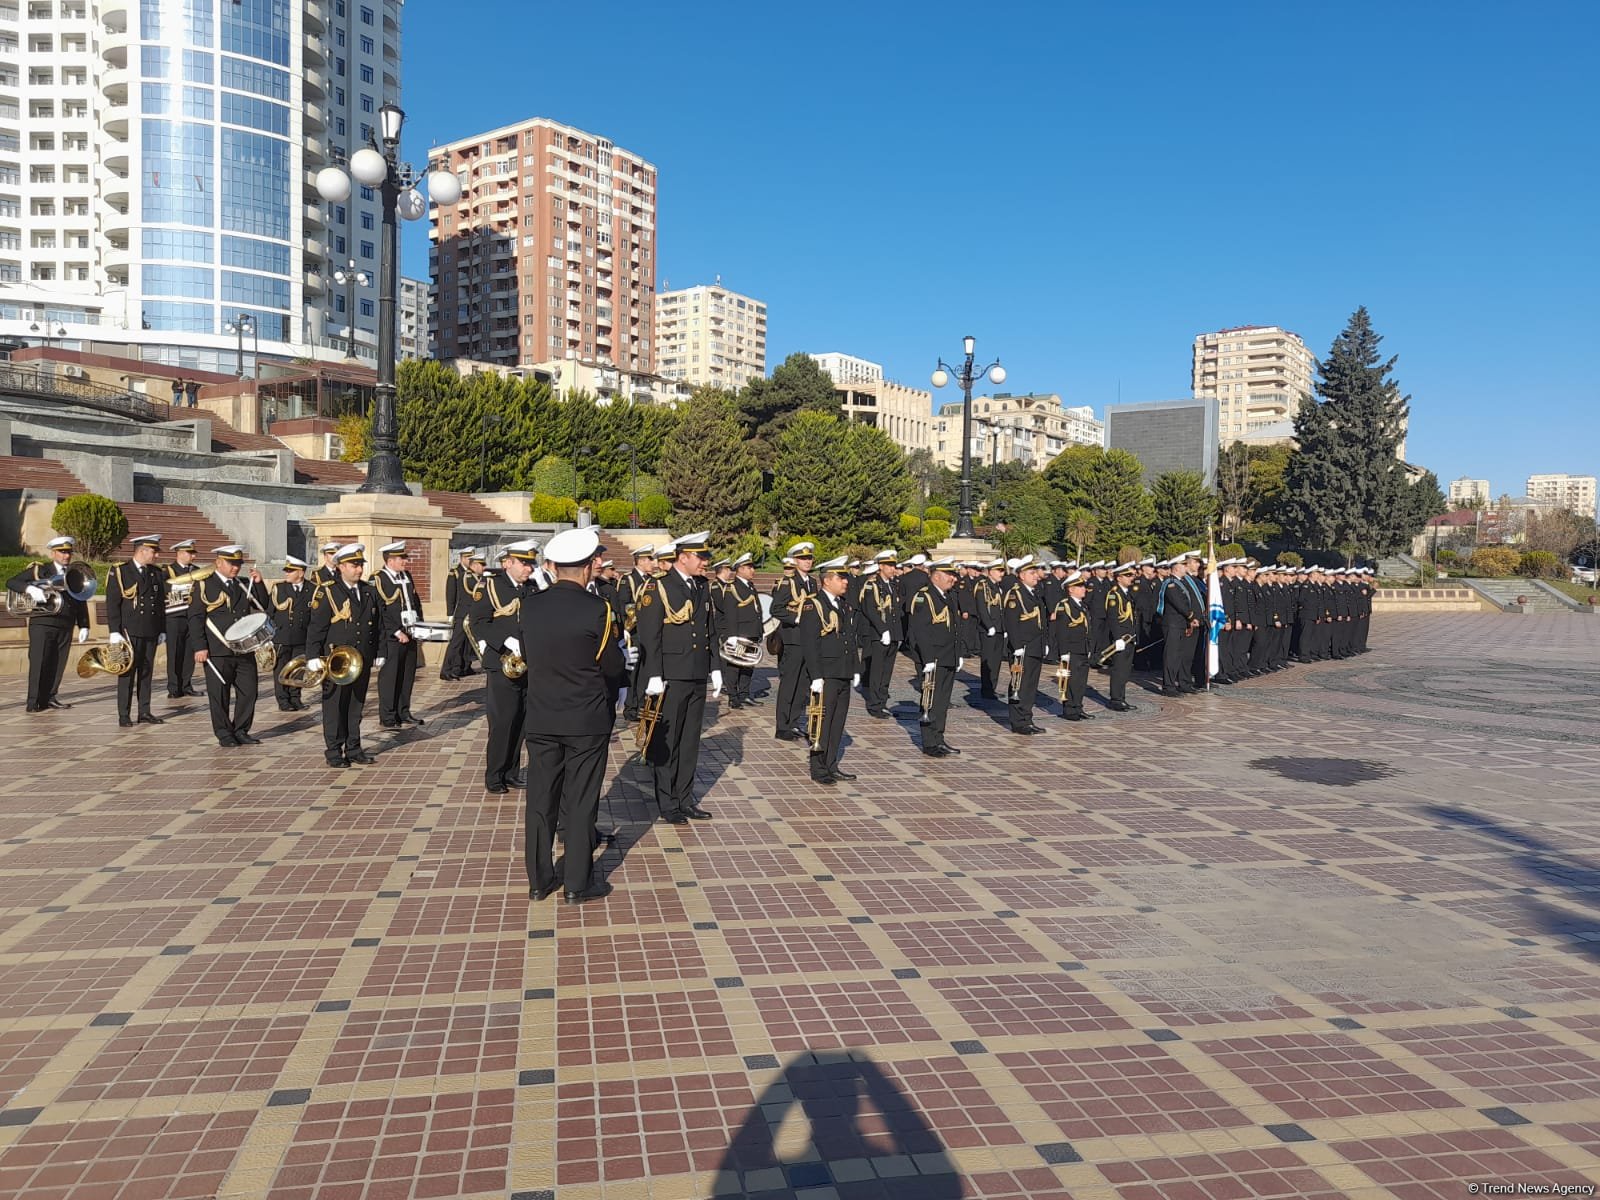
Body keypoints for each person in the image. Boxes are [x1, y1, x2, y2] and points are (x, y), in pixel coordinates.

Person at [518, 527, 626, 904]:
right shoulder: (599, 609)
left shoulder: (530, 605)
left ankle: (539, 880)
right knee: (581, 802)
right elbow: (613, 667)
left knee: (540, 802)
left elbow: (529, 658)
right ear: (584, 569)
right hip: (586, 720)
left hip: (542, 717)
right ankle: (578, 884)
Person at [634, 532, 719, 824]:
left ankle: (685, 798)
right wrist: (654, 674)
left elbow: (710, 630)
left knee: (690, 741)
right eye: (701, 557)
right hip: (670, 675)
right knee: (666, 741)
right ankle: (667, 802)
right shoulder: (658, 588)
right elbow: (649, 636)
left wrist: (715, 666)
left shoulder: (702, 586)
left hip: (696, 673)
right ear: (683, 557)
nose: (705, 563)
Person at [304, 543, 381, 767]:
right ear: (341, 567)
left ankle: (354, 748)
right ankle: (334, 751)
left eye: (360, 565)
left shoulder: (369, 591)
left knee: (356, 705)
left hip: (360, 660)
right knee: (334, 707)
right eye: (354, 565)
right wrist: (312, 656)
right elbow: (316, 627)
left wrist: (379, 652)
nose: (359, 569)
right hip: (335, 661)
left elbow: (377, 627)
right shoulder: (327, 591)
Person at [187, 545, 270, 747]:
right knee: (219, 695)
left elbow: (263, 606)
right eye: (232, 564)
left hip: (243, 649)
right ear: (219, 562)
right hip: (217, 650)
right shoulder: (204, 585)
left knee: (249, 691)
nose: (235, 568)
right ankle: (224, 733)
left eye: (238, 564)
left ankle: (241, 730)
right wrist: (200, 647)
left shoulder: (243, 584)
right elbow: (195, 618)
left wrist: (259, 584)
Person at [473, 539, 537, 794]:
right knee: (502, 721)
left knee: (522, 720)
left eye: (531, 564)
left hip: (528, 665)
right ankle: (495, 775)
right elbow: (478, 622)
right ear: (508, 562)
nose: (528, 569)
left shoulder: (532, 589)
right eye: (523, 563)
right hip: (501, 664)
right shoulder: (490, 587)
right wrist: (504, 640)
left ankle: (512, 771)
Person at [9, 535, 91, 712]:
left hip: (65, 623)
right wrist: (30, 588)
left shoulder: (75, 573)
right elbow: (12, 582)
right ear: (53, 553)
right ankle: (33, 701)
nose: (66, 556)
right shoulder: (40, 570)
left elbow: (80, 599)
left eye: (68, 552)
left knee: (58, 663)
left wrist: (84, 624)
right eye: (62, 552)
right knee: (39, 662)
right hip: (43, 623)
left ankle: (51, 697)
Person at [799, 556, 859, 785]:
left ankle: (831, 764)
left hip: (842, 670)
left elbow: (849, 638)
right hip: (825, 673)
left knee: (838, 722)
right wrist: (816, 676)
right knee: (821, 722)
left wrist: (855, 668)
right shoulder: (812, 604)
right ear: (827, 581)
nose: (845, 582)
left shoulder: (843, 604)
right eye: (841, 578)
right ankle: (818, 768)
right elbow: (810, 643)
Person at [105, 533, 166, 727]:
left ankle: (144, 711)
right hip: (128, 632)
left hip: (150, 630)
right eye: (153, 551)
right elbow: (113, 604)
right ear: (142, 551)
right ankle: (124, 714)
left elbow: (160, 604)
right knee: (126, 674)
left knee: (146, 672)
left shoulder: (155, 573)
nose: (156, 555)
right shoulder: (121, 571)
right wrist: (114, 631)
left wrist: (162, 629)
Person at [908, 557, 964, 757]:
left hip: (947, 656)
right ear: (937, 576)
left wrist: (958, 655)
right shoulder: (924, 597)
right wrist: (928, 659)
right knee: (931, 701)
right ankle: (930, 742)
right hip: (935, 658)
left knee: (942, 701)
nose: (953, 579)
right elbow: (921, 631)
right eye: (950, 576)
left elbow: (953, 628)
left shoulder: (947, 596)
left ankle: (939, 738)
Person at [372, 541, 424, 728]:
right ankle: (388, 716)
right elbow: (380, 610)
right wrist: (396, 631)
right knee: (390, 677)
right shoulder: (378, 579)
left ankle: (404, 711)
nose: (404, 562)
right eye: (401, 559)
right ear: (390, 560)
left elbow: (415, 602)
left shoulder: (406, 575)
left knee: (407, 675)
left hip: (410, 633)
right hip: (391, 637)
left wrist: (420, 626)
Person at [770, 541, 816, 741]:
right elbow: (776, 609)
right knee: (790, 682)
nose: (807, 561)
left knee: (803, 683)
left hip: (808, 639)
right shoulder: (788, 582)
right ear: (795, 561)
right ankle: (782, 726)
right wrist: (795, 619)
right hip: (793, 638)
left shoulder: (812, 582)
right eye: (803, 559)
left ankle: (794, 722)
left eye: (809, 558)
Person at [1003, 556, 1048, 735]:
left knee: (1030, 685)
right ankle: (1018, 721)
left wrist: (1044, 643)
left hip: (1034, 647)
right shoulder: (1015, 594)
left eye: (1036, 572)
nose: (1036, 576)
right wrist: (1017, 646)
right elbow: (1012, 622)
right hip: (1021, 649)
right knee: (1018, 684)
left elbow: (1040, 621)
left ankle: (1027, 718)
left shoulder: (1033, 592)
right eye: (1032, 573)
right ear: (1021, 575)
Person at [855, 551, 902, 719]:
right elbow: (870, 609)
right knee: (877, 670)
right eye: (889, 565)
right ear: (880, 566)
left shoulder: (893, 584)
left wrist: (897, 634)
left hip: (893, 634)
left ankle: (882, 702)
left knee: (887, 671)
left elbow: (895, 611)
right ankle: (875, 705)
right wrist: (883, 630)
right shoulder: (872, 585)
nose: (892, 569)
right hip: (879, 634)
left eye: (894, 566)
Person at [715, 552, 764, 708]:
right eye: (749, 567)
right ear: (740, 569)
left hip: (752, 631)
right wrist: (732, 635)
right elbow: (730, 613)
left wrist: (760, 630)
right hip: (740, 632)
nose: (752, 570)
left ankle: (744, 694)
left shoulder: (750, 586)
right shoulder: (732, 587)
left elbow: (757, 610)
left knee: (748, 665)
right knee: (735, 666)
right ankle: (733, 696)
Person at [617, 545, 656, 724]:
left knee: (645, 671)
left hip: (648, 632)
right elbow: (625, 605)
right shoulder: (628, 580)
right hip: (634, 632)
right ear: (640, 560)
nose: (652, 563)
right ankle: (630, 707)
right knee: (633, 671)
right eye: (649, 559)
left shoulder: (651, 580)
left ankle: (640, 704)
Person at [269, 555, 313, 711]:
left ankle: (295, 698)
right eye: (286, 570)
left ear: (300, 572)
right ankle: (283, 700)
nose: (286, 573)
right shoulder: (279, 588)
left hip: (302, 637)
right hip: (282, 637)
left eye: (290, 571)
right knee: (281, 670)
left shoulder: (312, 589)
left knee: (298, 670)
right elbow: (270, 613)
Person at [1049, 569, 1093, 721]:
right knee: (1069, 681)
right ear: (1071, 589)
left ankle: (1078, 707)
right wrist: (1063, 652)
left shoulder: (1082, 605)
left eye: (1083, 586)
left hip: (1082, 648)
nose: (1083, 589)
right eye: (1080, 586)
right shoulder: (1064, 606)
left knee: (1081, 682)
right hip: (1070, 650)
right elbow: (1061, 631)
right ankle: (1069, 710)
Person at [164, 538, 203, 698]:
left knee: (189, 653)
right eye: (190, 553)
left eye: (193, 553)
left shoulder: (196, 570)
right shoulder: (167, 571)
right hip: (174, 617)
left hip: (192, 617)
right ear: (179, 553)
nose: (193, 556)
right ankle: (174, 687)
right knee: (174, 653)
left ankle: (186, 684)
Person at [1157, 557, 1201, 697]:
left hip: (1181, 624)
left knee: (1180, 656)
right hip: (1173, 624)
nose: (1185, 567)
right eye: (1183, 565)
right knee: (1171, 656)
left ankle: (1182, 683)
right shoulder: (1171, 583)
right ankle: (1168, 686)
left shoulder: (1181, 582)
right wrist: (1191, 617)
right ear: (1176, 567)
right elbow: (1179, 604)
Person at [1102, 561, 1140, 712]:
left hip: (1128, 637)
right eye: (1128, 575)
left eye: (1131, 575)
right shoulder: (1114, 594)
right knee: (1119, 669)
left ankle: (1121, 697)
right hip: (1121, 638)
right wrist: (1118, 637)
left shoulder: (1125, 593)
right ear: (1119, 577)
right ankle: (1116, 699)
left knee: (1125, 670)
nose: (1131, 578)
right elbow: (1113, 618)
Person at [439, 546, 482, 681]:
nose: (470, 560)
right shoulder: (456, 573)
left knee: (468, 644)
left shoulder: (474, 575)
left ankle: (464, 667)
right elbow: (451, 594)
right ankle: (447, 670)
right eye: (468, 558)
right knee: (456, 643)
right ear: (462, 558)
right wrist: (450, 613)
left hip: (470, 613)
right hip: (460, 612)